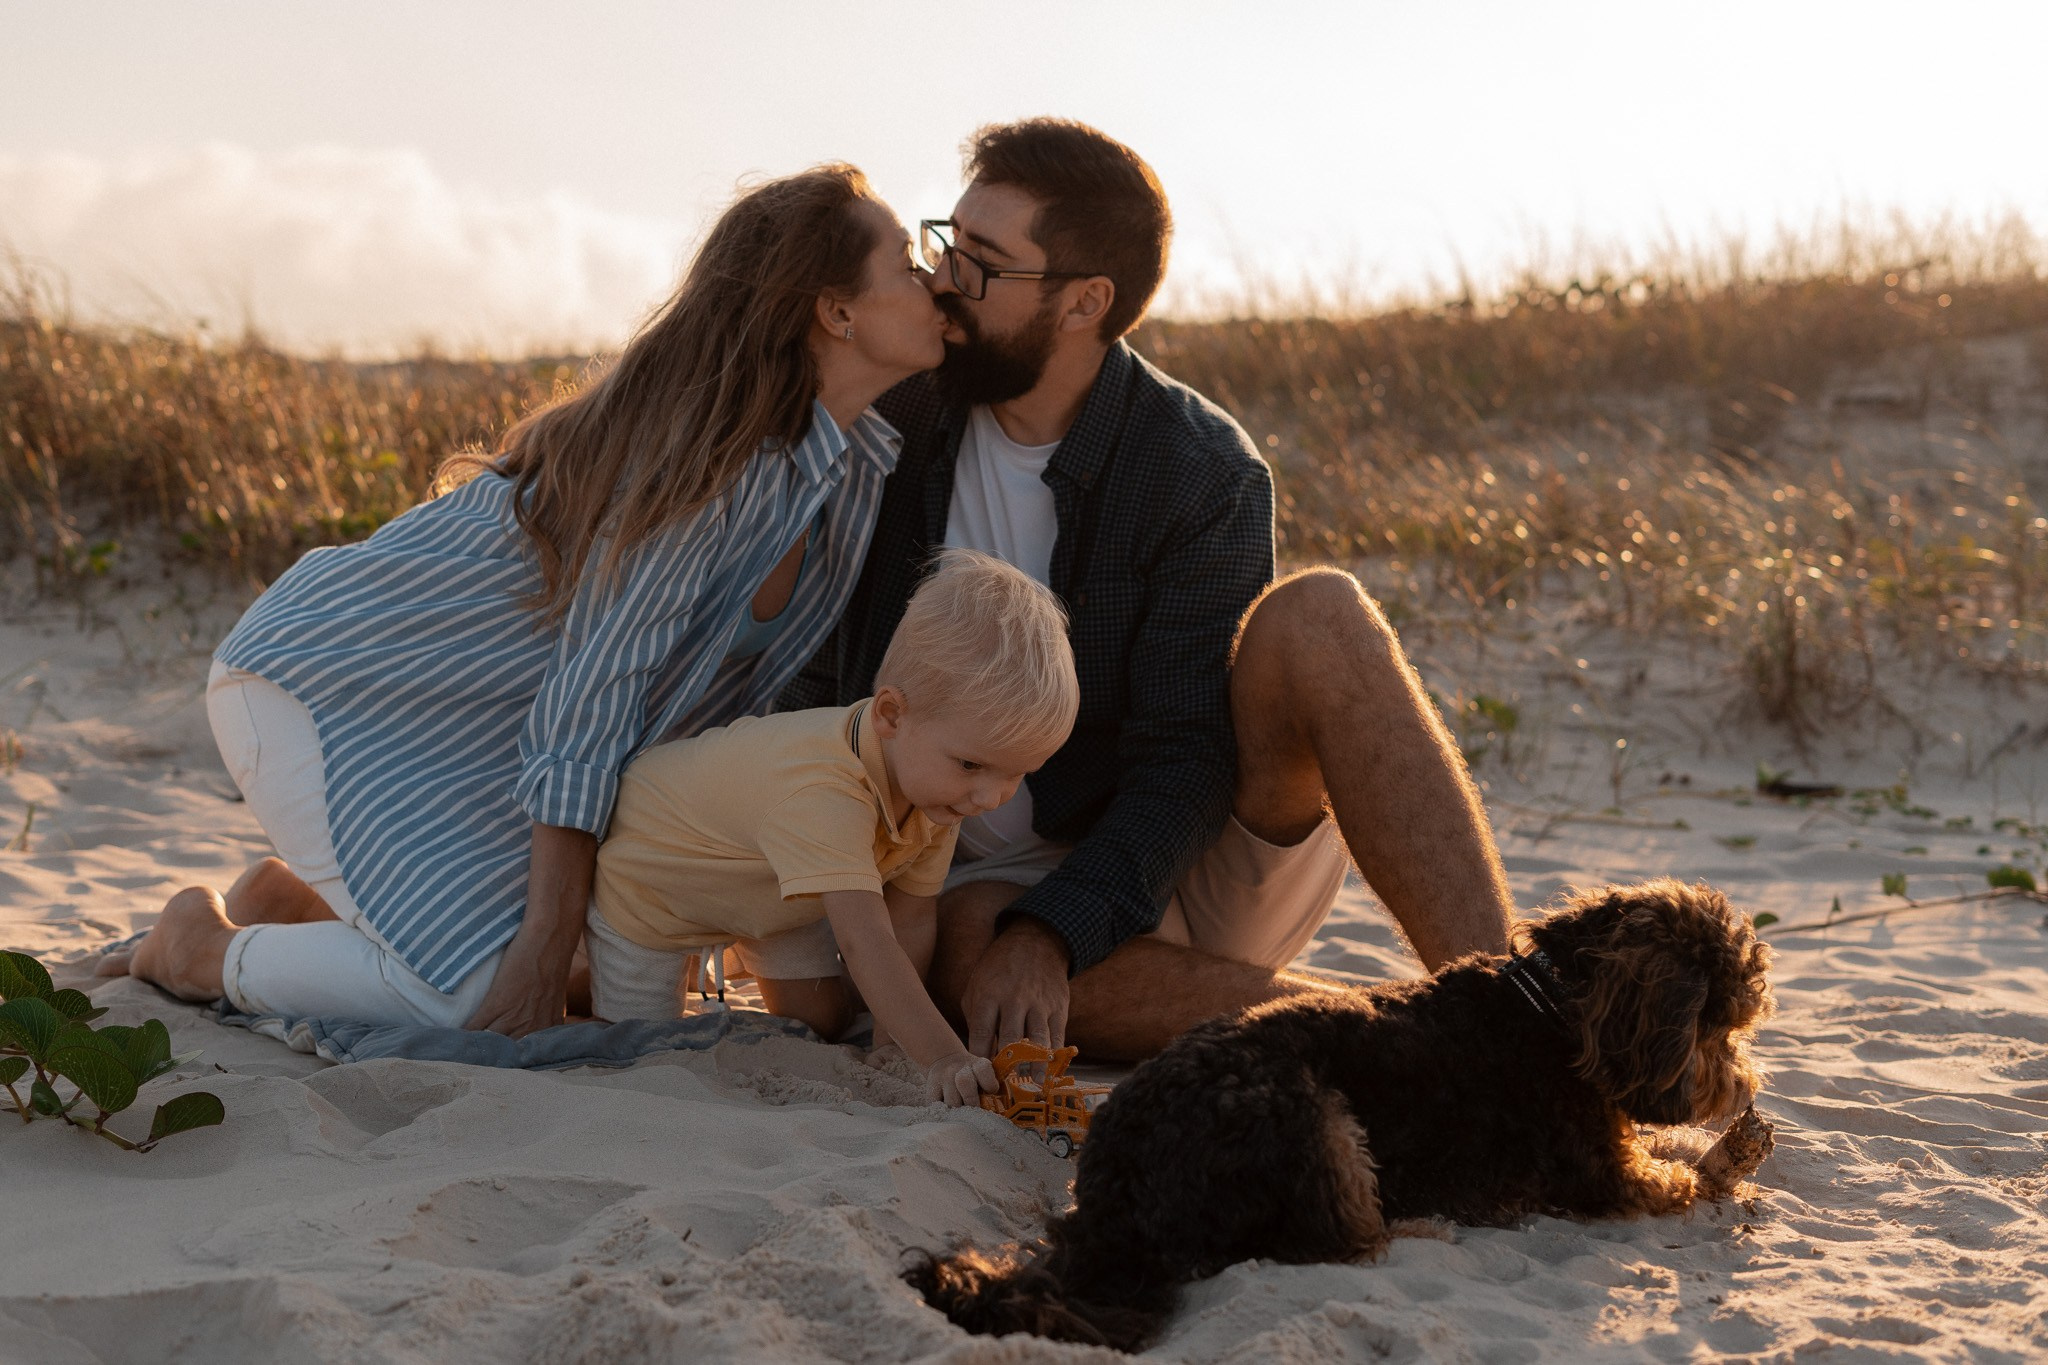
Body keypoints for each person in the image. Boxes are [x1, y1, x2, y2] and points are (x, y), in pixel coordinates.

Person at [99, 164, 948, 1036]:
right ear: (836, 312)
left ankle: (293, 904)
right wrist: (543, 938)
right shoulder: (705, 465)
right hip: (329, 682)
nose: (934, 279)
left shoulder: (848, 468)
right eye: (907, 262)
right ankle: (198, 949)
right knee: (475, 997)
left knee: (558, 966)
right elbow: (592, 700)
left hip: (476, 728)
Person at [780, 119, 1517, 1061]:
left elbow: (1186, 756)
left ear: (1085, 302)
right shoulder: (896, 413)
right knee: (974, 944)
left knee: (1322, 615)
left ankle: (1508, 1012)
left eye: (982, 264)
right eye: (947, 244)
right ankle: (1408, 1043)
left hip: (1173, 852)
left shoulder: (1199, 468)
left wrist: (1054, 930)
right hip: (960, 878)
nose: (943, 281)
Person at [586, 549, 1076, 1105]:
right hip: (654, 890)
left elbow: (910, 918)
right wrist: (943, 1056)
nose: (990, 797)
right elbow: (865, 941)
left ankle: (739, 953)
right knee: (638, 1044)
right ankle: (592, 959)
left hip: (774, 889)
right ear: (890, 715)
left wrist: (895, 1041)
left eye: (1016, 774)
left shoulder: (938, 791)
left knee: (821, 1020)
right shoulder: (825, 792)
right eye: (971, 765)